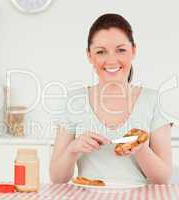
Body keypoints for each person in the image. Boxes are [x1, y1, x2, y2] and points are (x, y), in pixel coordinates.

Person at [50, 13, 172, 185]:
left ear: (133, 51)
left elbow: (163, 178)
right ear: (89, 56)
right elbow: (57, 178)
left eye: (121, 50)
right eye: (101, 52)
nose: (111, 60)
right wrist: (73, 149)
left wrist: (141, 149)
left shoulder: (152, 100)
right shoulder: (74, 100)